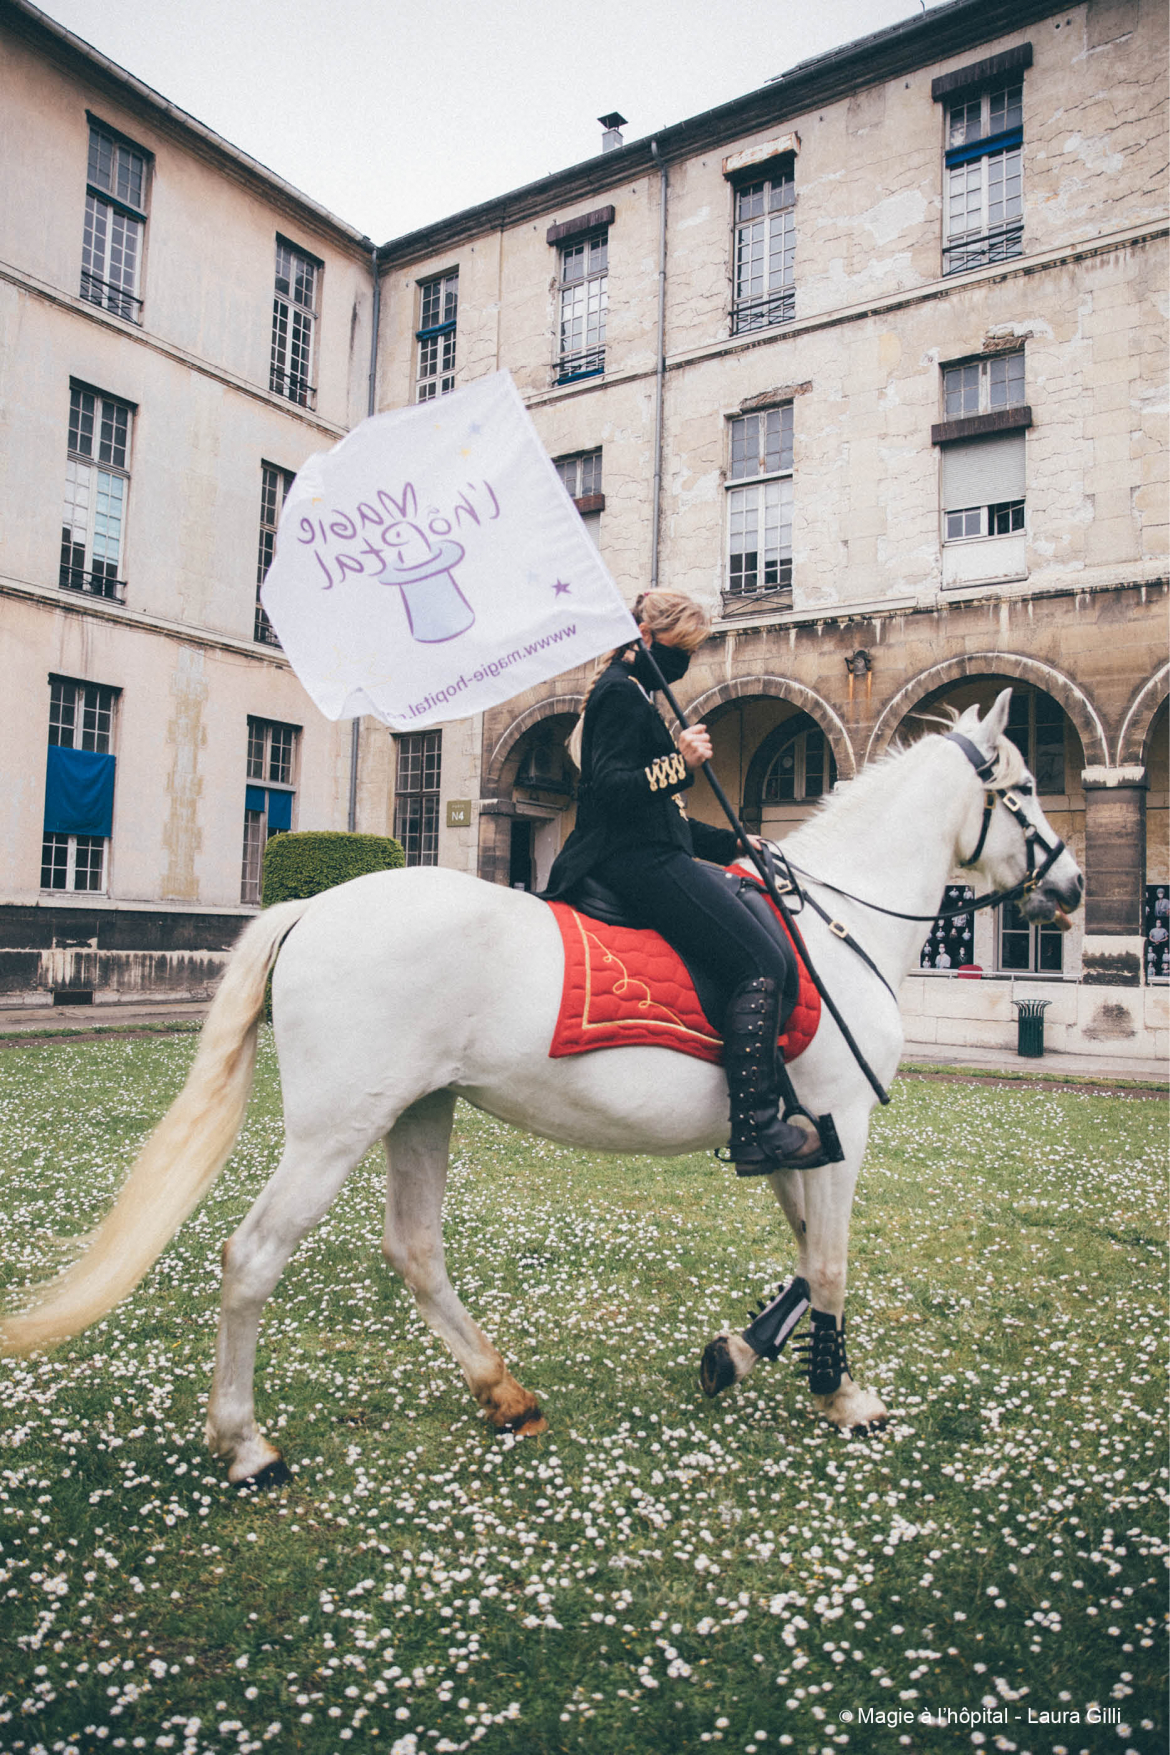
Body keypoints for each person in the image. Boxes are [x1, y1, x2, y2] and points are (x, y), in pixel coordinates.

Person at [544, 588, 821, 1172]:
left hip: (649, 848)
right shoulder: (619, 695)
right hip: (631, 861)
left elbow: (666, 819)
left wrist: (737, 842)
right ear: (647, 635)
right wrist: (680, 764)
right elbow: (611, 789)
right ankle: (756, 1128)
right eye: (681, 647)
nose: (685, 660)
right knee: (760, 964)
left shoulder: (635, 693)